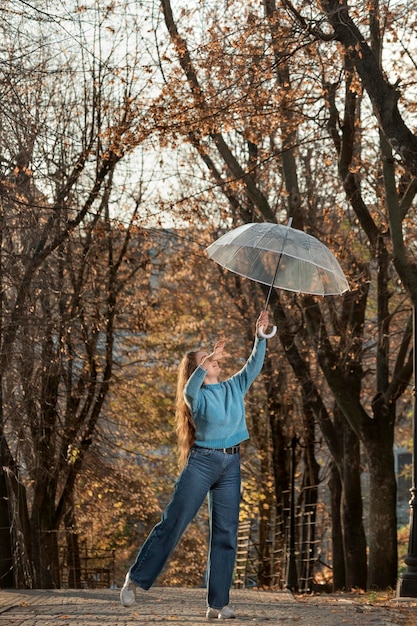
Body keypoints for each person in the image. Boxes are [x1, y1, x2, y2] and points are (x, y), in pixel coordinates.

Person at [120, 310, 270, 620]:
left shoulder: (233, 387)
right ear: (196, 369)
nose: (215, 358)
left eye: (213, 356)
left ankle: (218, 604)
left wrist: (260, 335)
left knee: (226, 533)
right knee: (174, 521)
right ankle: (135, 579)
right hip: (203, 463)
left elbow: (254, 365)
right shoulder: (196, 397)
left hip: (231, 465)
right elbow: (189, 388)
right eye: (206, 358)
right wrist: (205, 361)